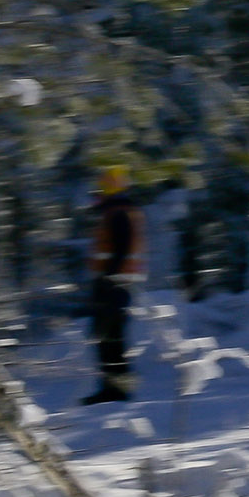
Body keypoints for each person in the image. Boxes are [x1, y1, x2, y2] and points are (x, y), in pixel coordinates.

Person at [82, 168, 148, 404]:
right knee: (110, 337)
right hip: (117, 281)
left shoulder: (118, 213)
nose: (98, 192)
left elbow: (122, 247)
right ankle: (115, 389)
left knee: (109, 337)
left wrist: (109, 275)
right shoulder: (119, 211)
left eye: (102, 187)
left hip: (114, 282)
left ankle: (117, 390)